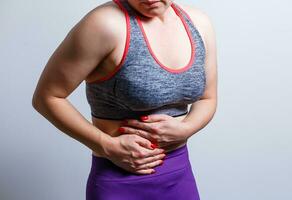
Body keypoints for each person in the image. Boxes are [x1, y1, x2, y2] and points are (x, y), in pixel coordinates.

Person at [32, 0, 217, 199]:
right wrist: (106, 145)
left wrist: (186, 128)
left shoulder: (199, 23)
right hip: (119, 181)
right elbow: (47, 97)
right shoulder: (104, 24)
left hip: (179, 177)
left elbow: (208, 98)